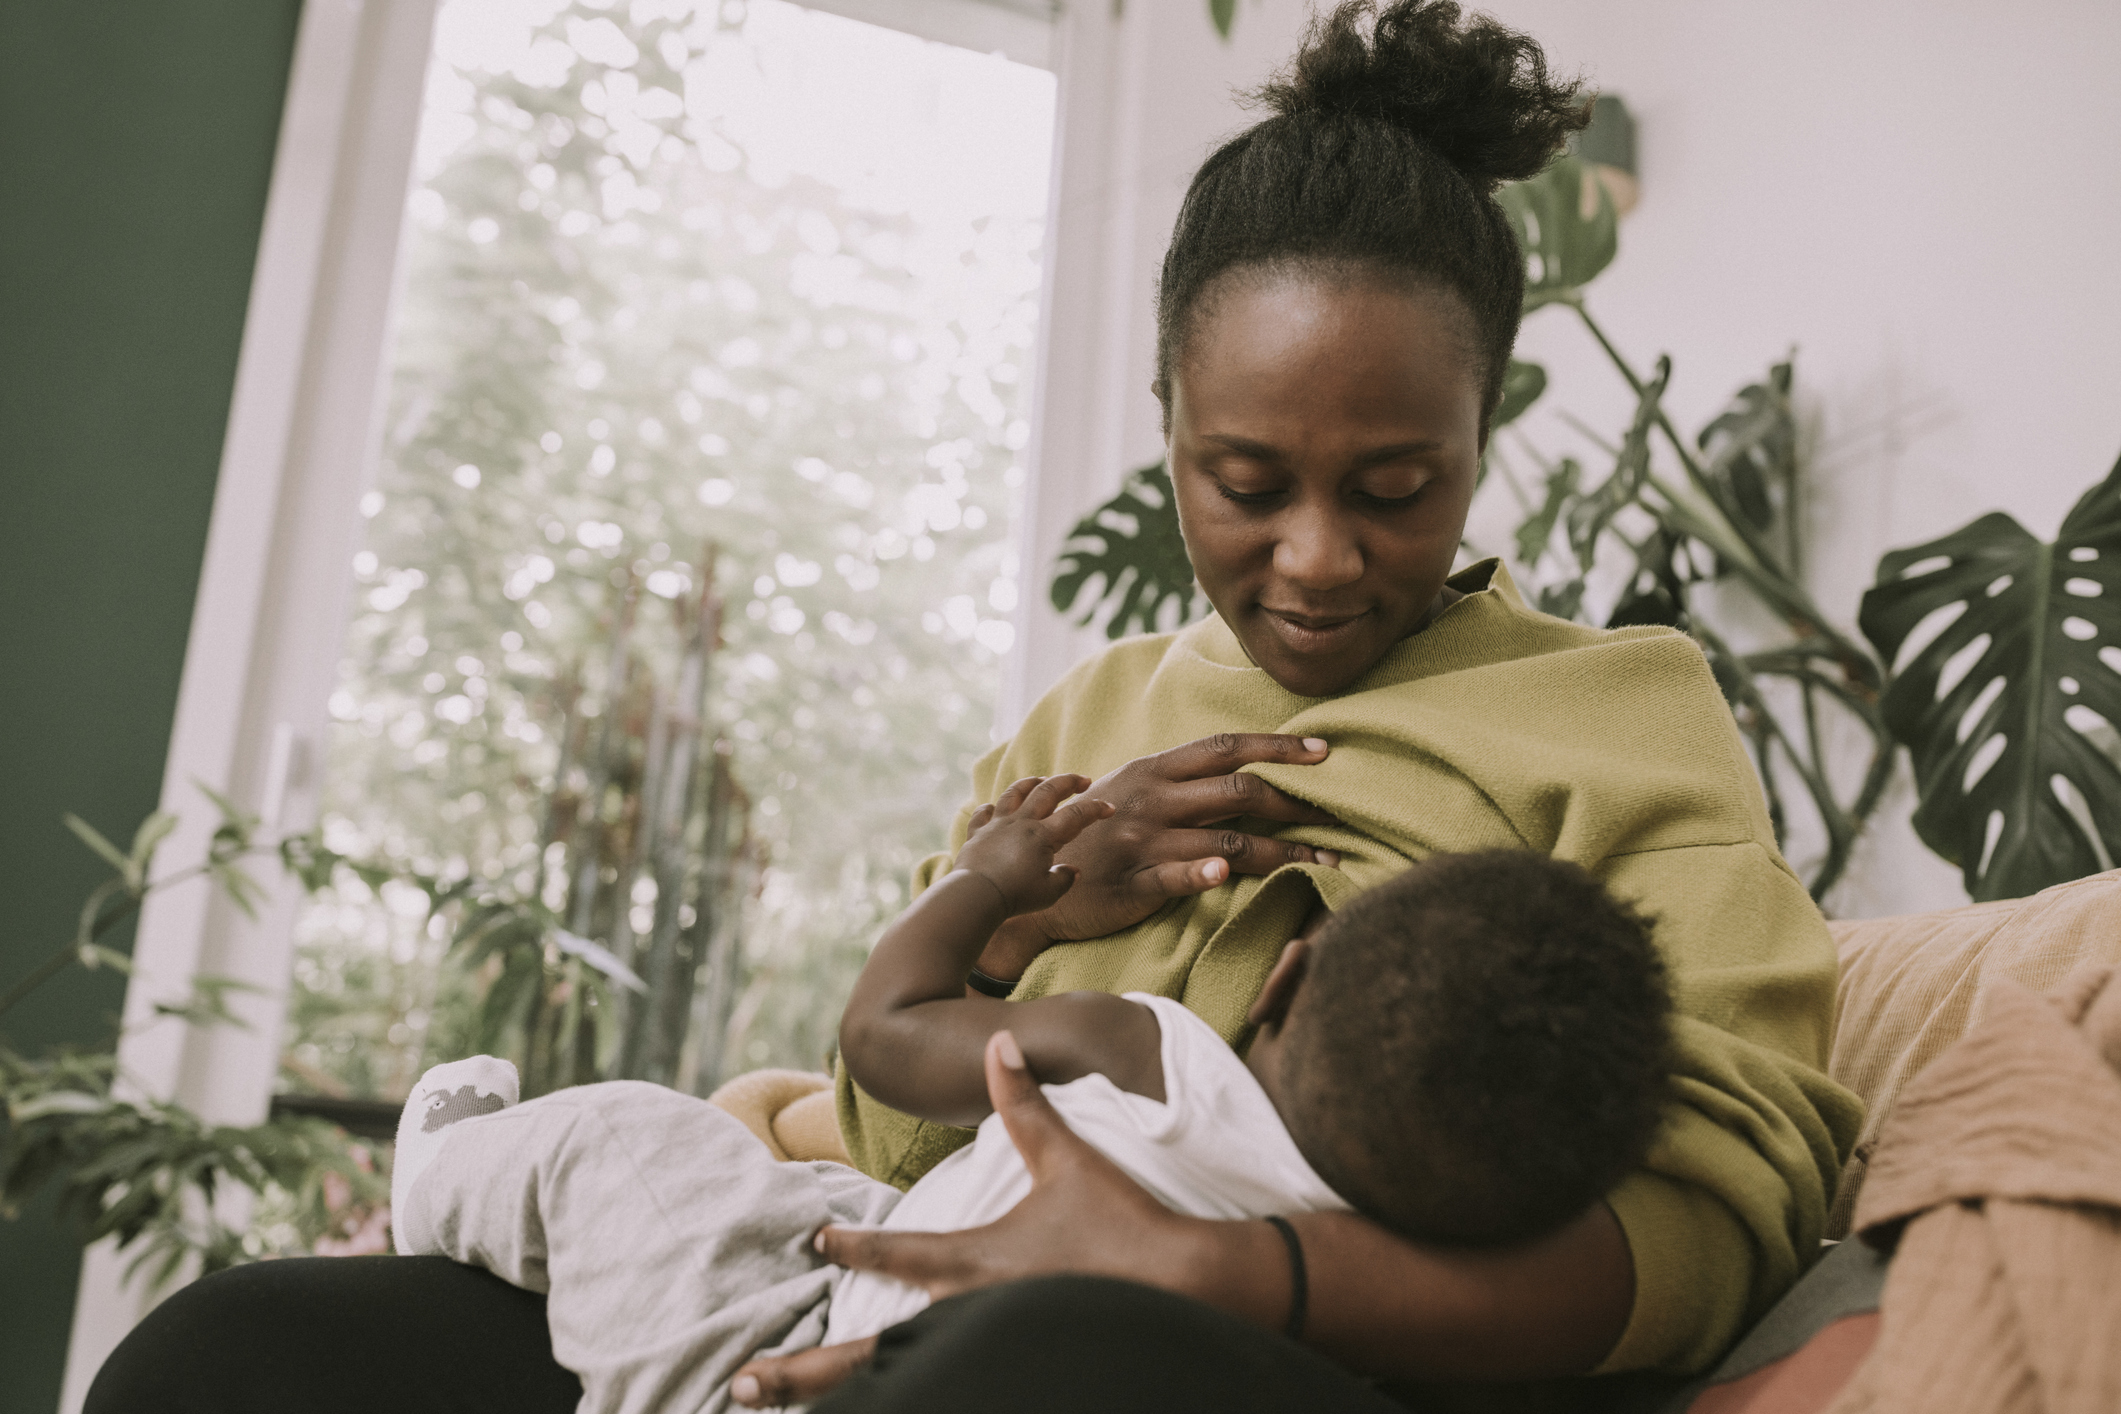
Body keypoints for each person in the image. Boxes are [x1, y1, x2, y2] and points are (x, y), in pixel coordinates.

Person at [85, 3, 1861, 1411]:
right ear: (1166, 422)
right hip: (908, 1282)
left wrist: (1235, 1270)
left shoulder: (1622, 711)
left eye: (1396, 488)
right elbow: (888, 1139)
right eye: (1245, 483)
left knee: (1034, 1360)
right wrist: (1012, 922)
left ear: (1482, 430)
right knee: (242, 1351)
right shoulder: (1091, 715)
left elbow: (1720, 1207)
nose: (1317, 558)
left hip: (1300, 1347)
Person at [381, 777, 1671, 1412]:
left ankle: (443, 1176)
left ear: (1285, 976)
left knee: (631, 1140)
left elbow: (884, 1036)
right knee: (815, 1189)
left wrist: (994, 881)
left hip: (768, 1368)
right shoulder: (1382, 1290)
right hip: (874, 1273)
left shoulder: (1152, 1058)